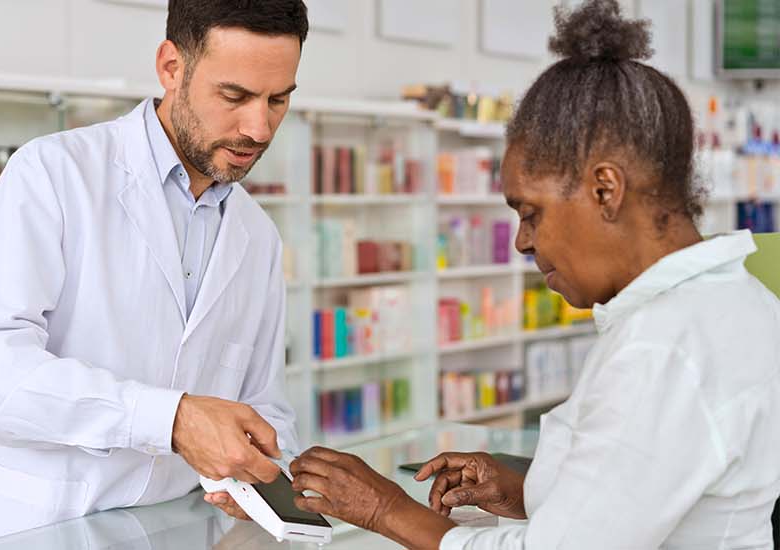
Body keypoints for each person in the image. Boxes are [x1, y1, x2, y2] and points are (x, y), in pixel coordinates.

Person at [280, 2, 780, 548]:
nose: (523, 241)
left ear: (605, 190)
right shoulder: (739, 302)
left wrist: (384, 508)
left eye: (531, 212)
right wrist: (522, 491)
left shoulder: (664, 348)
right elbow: (652, 495)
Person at [0, 1, 309, 547]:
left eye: (279, 100)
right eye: (235, 96)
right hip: (29, 527)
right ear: (171, 67)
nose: (258, 126)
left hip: (167, 530)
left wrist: (260, 470)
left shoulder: (257, 235)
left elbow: (265, 402)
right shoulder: (54, 175)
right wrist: (170, 419)